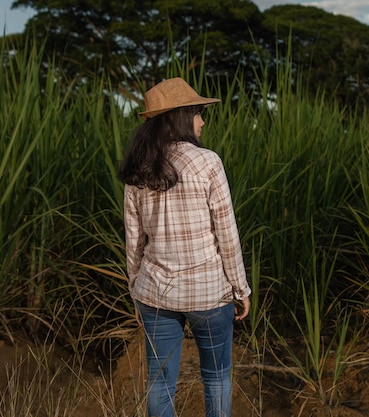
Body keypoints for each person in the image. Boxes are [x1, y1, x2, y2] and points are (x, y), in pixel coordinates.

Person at [118, 77, 251, 417]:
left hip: (155, 294)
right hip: (208, 293)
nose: (202, 121)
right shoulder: (208, 162)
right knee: (217, 377)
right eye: (197, 113)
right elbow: (227, 233)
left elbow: (133, 241)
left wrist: (136, 290)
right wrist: (240, 288)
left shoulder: (138, 168)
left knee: (160, 383)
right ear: (179, 116)